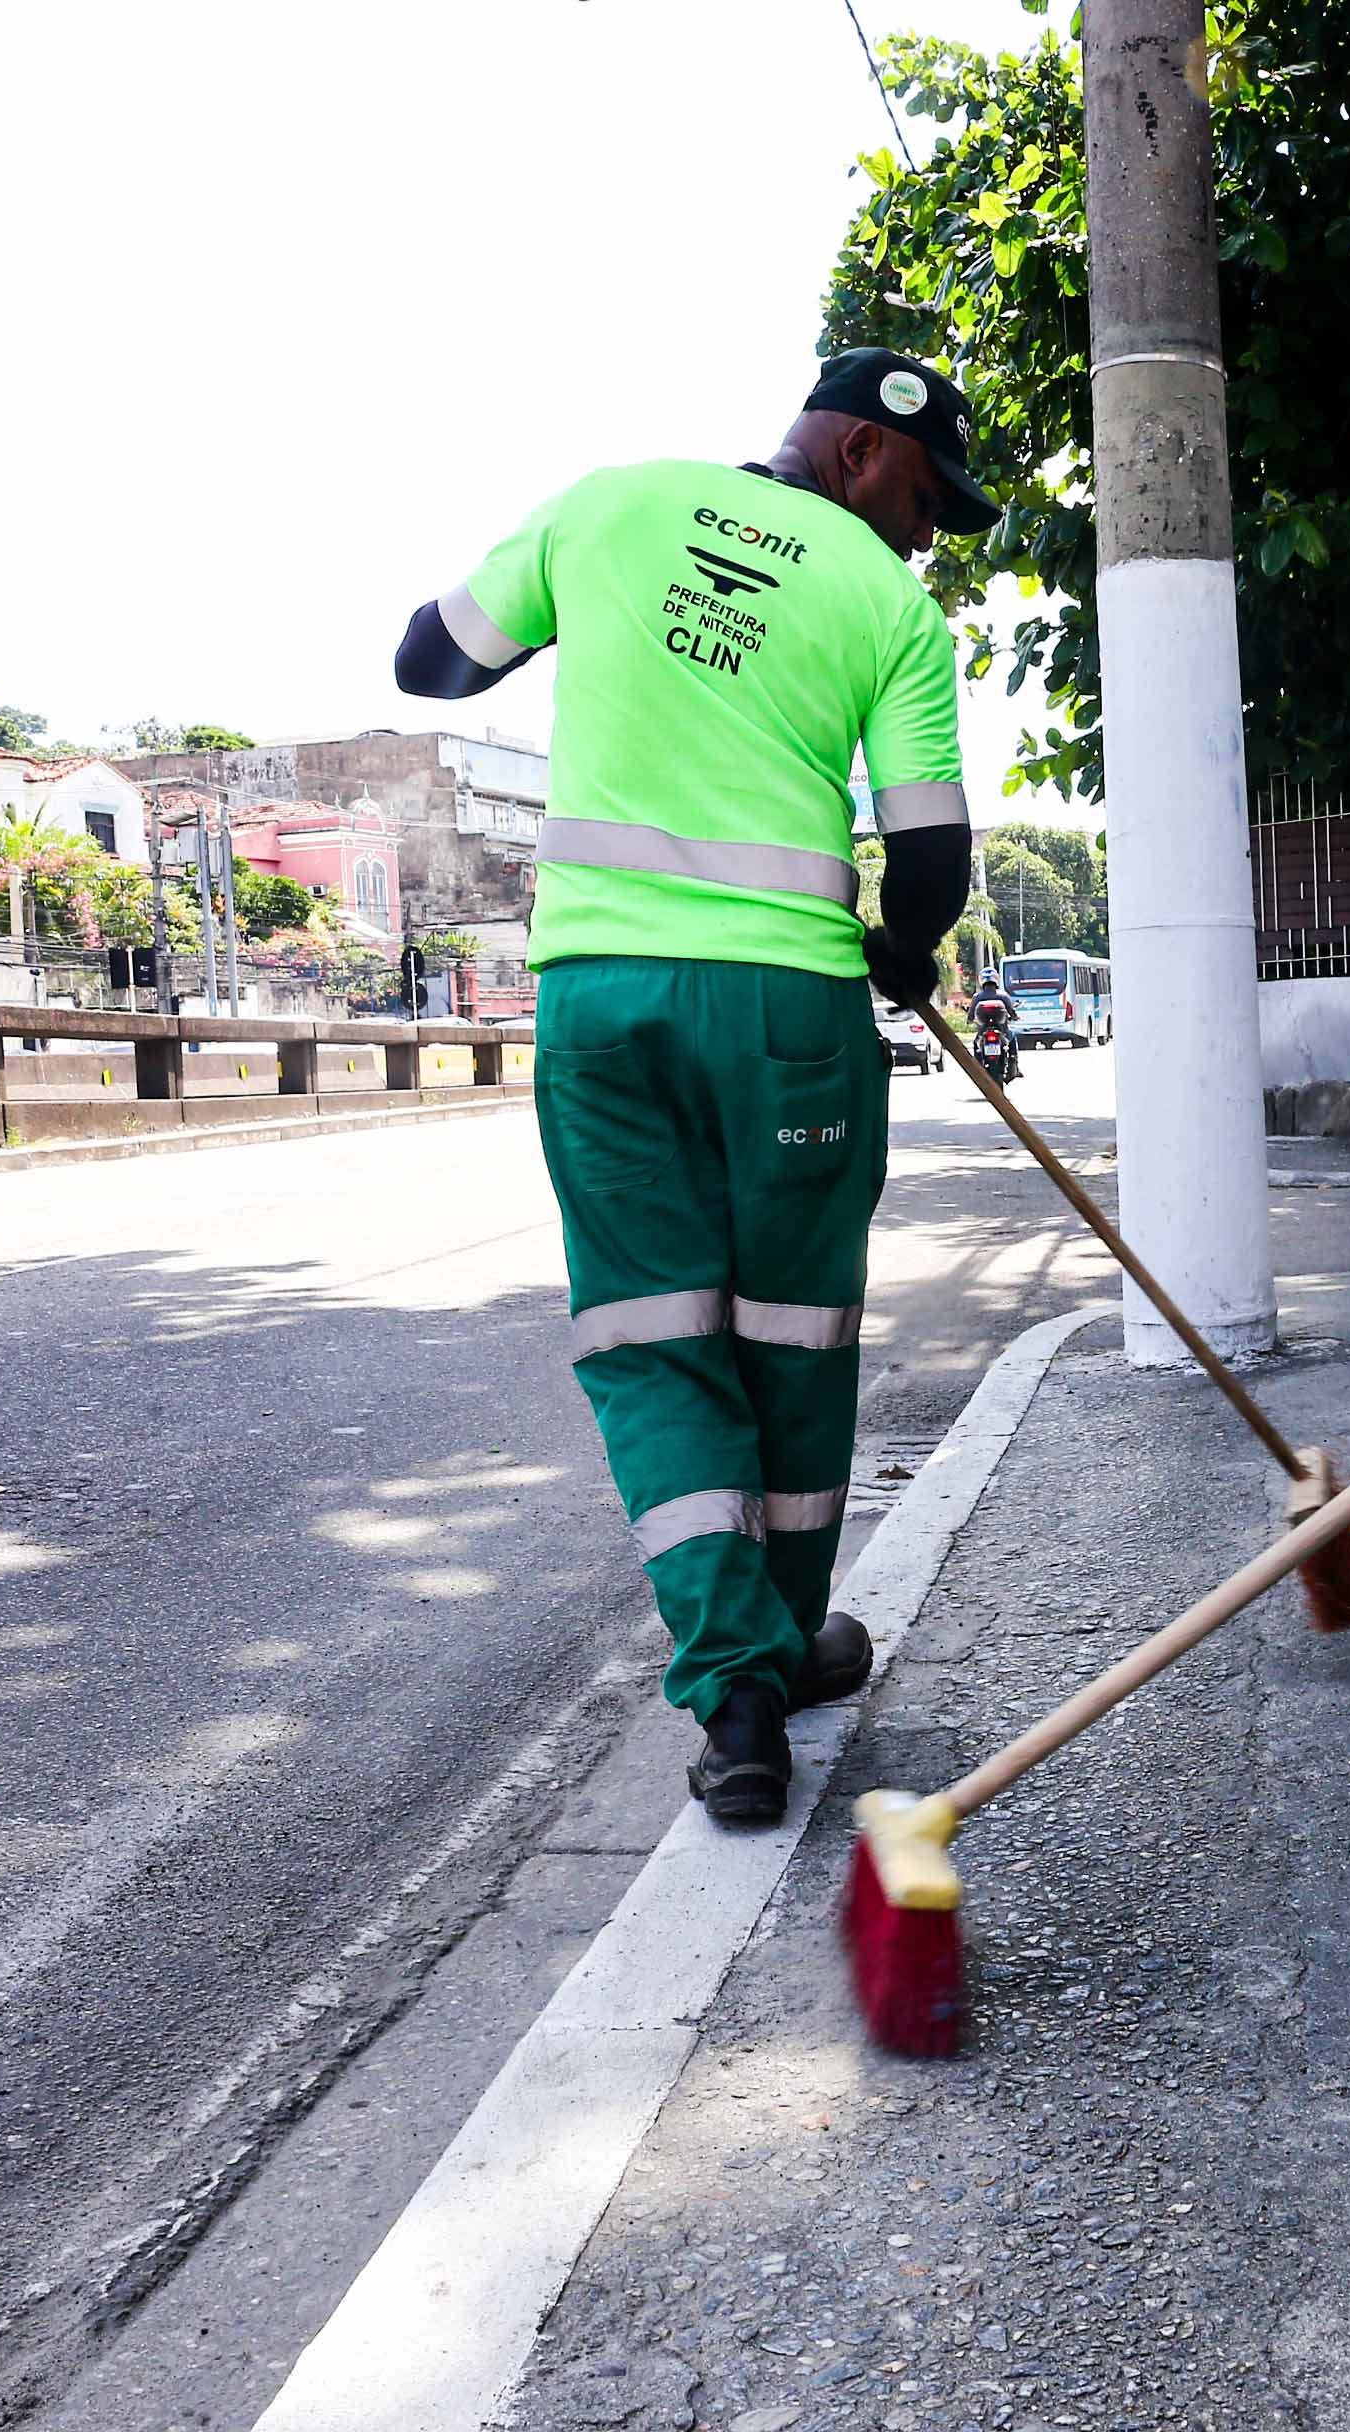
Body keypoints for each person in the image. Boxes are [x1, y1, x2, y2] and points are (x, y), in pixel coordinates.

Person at [396, 347, 997, 1826]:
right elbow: (927, 857)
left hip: (602, 1006)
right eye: (924, 498)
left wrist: (576, 623)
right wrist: (903, 952)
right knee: (794, 1341)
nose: (926, 534)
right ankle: (776, 1647)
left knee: (654, 1344)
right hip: (791, 1010)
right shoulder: (885, 606)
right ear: (862, 451)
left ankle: (741, 1680)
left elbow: (429, 659)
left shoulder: (610, 507)